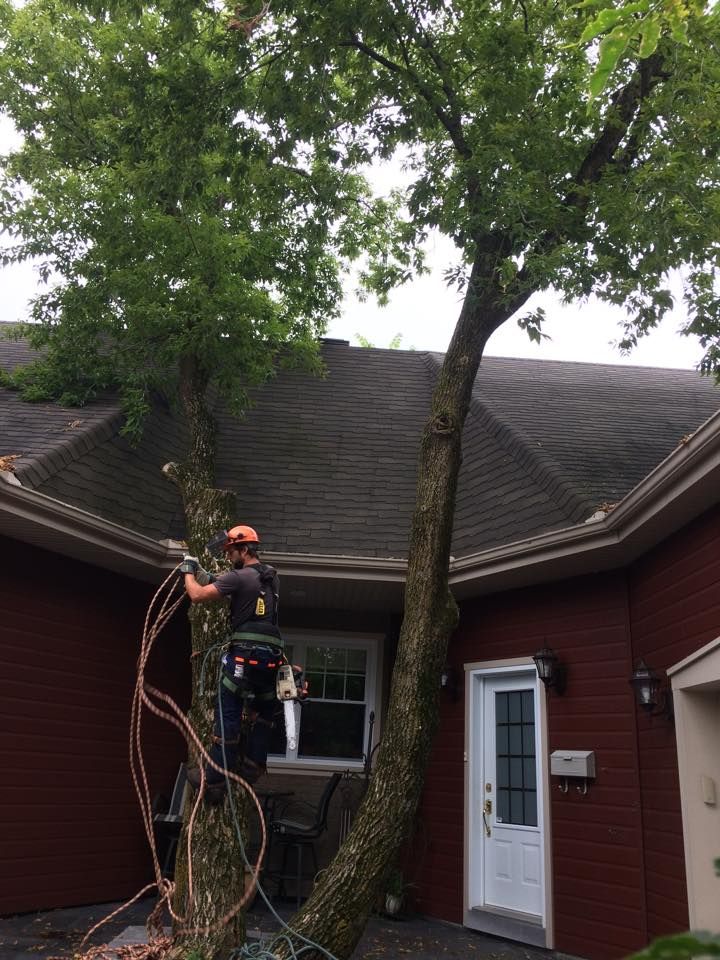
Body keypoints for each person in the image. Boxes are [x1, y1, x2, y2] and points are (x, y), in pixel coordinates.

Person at [181, 524, 287, 797]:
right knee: (264, 708)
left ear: (243, 549)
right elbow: (231, 582)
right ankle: (253, 765)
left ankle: (215, 776)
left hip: (245, 653)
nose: (229, 557)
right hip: (271, 655)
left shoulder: (238, 578)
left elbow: (197, 595)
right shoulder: (270, 577)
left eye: (231, 552)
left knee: (228, 704)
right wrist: (211, 576)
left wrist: (189, 571)